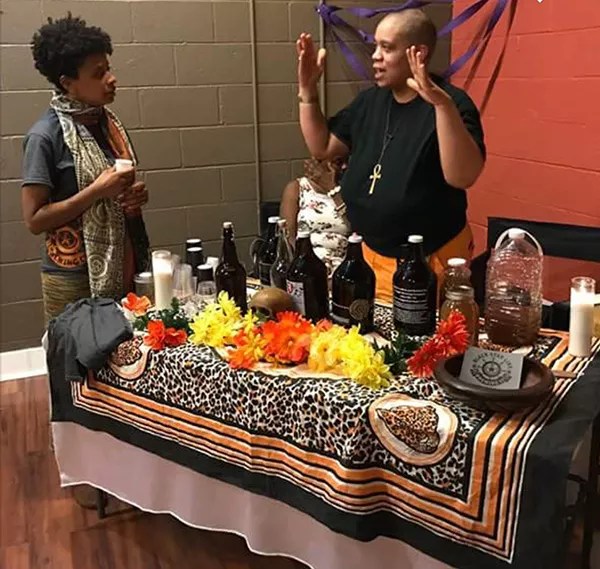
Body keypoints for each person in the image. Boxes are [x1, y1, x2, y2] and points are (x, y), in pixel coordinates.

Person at [295, 9, 486, 301]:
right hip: (371, 254)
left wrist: (442, 107)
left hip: (430, 258)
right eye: (376, 46)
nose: (375, 56)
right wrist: (307, 92)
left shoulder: (452, 103)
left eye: (386, 48)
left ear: (418, 53)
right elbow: (322, 148)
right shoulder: (369, 102)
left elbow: (463, 176)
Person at [22, 13, 150, 325]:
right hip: (72, 276)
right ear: (68, 83)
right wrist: (96, 192)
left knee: (124, 348)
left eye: (109, 69)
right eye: (99, 73)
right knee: (77, 352)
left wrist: (135, 196)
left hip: (124, 260)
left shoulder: (107, 123)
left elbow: (115, 189)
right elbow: (34, 220)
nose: (112, 78)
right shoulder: (45, 136)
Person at [280, 157, 351, 277]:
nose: (344, 167)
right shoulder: (297, 188)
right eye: (338, 162)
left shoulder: (351, 190)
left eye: (346, 161)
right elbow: (287, 239)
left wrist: (332, 189)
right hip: (306, 270)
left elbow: (358, 227)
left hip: (344, 271)